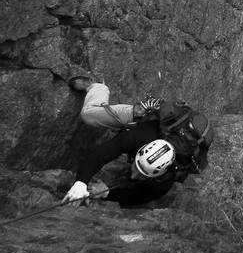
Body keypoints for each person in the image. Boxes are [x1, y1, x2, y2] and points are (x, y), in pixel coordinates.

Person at [62, 76, 212, 207]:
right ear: (140, 149)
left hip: (167, 140)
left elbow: (140, 196)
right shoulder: (137, 137)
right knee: (89, 115)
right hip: (143, 117)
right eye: (136, 167)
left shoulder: (165, 181)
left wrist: (107, 194)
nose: (133, 175)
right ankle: (96, 86)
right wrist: (80, 183)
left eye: (141, 174)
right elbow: (102, 153)